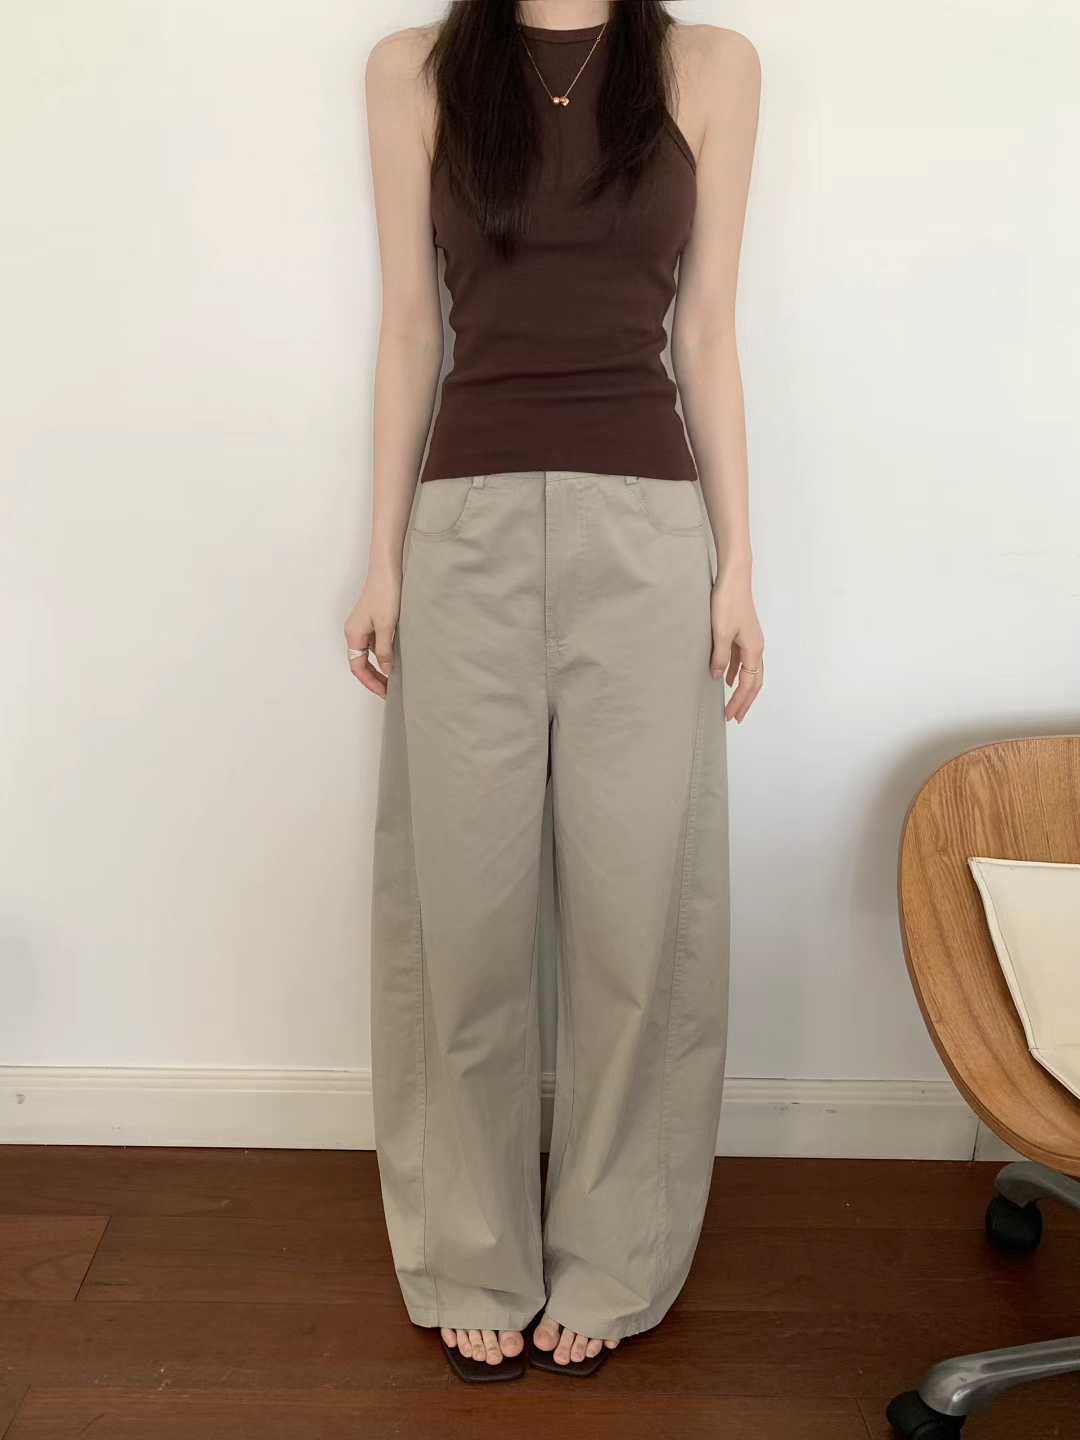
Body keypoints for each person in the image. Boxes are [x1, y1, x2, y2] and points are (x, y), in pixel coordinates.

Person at [346, 0, 763, 1382]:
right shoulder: (413, 72)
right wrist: (384, 559)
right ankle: (470, 1250)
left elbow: (710, 330)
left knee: (639, 922)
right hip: (465, 528)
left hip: (646, 534)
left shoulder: (709, 67)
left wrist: (739, 570)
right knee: (461, 920)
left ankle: (615, 1249)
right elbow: (411, 327)